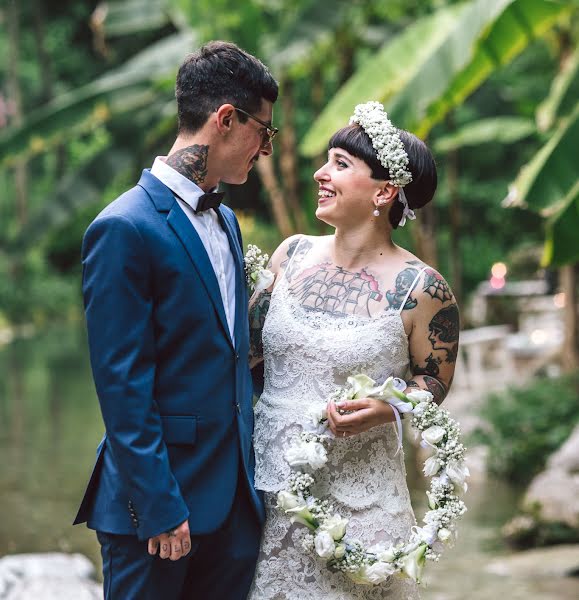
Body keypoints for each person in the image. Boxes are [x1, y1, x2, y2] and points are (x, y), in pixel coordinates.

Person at [73, 41, 278, 600]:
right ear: (226, 119)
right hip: (157, 510)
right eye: (265, 131)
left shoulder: (228, 221)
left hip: (235, 504)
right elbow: (122, 383)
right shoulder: (123, 227)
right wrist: (159, 504)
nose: (265, 149)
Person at [247, 102, 459, 599]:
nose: (320, 173)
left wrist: (390, 407)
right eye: (326, 161)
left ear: (384, 192)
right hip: (263, 494)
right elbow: (247, 353)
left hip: (360, 511)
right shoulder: (290, 253)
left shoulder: (423, 288)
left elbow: (435, 381)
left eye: (340, 164)